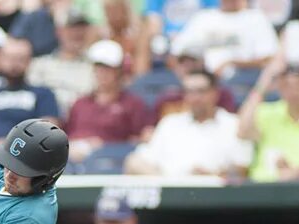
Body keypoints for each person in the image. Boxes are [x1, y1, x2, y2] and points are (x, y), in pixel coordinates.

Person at [124, 69, 253, 176]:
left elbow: (242, 168)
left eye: (201, 91)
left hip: (216, 197)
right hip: (170, 197)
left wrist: (212, 176)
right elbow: (139, 160)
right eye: (189, 92)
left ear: (215, 93)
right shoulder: (170, 123)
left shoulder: (233, 124)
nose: (195, 98)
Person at [0, 37, 59, 150]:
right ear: (0, 58)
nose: (14, 64)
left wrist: (6, 146)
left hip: (22, 154)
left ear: (29, 61)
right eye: (10, 58)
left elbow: (48, 132)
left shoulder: (42, 94)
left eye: (20, 59)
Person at [66, 40, 150, 163]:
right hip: (73, 161)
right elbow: (68, 133)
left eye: (108, 69)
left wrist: (105, 147)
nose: (102, 73)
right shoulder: (80, 103)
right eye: (98, 68)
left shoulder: (132, 103)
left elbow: (140, 139)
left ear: (119, 71)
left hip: (111, 163)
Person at [169, 0, 278, 78]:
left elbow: (268, 58)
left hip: (243, 82)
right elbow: (175, 54)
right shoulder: (203, 17)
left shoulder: (256, 17)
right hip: (203, 81)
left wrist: (232, 63)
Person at [26, 10, 96, 116]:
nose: (77, 33)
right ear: (59, 31)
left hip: (82, 122)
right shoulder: (40, 65)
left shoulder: (95, 65)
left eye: (82, 28)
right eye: (72, 28)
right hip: (46, 124)